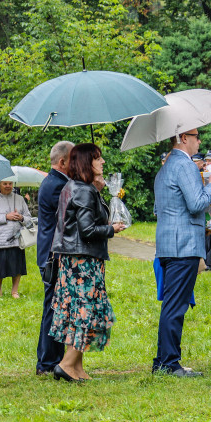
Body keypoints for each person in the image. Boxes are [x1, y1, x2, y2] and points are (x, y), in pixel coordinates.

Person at [48, 144, 125, 381]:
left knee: (78, 311)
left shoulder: (76, 187)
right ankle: (66, 364)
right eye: (98, 159)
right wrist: (111, 229)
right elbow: (88, 229)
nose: (102, 162)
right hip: (83, 263)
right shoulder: (83, 190)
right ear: (86, 163)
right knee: (85, 311)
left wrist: (98, 191)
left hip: (74, 260)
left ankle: (77, 368)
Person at [153, 127, 211, 377]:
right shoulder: (185, 165)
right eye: (196, 137)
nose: (199, 141)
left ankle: (163, 360)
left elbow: (164, 208)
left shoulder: (166, 166)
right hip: (183, 246)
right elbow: (196, 203)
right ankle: (170, 363)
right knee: (176, 306)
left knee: (171, 304)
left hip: (170, 242)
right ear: (183, 138)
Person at [36, 141, 73, 376]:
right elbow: (74, 213)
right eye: (74, 160)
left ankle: (52, 359)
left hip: (52, 252)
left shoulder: (57, 182)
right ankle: (48, 362)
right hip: (54, 255)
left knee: (56, 307)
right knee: (53, 308)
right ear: (62, 162)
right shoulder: (56, 185)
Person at [0, 179, 33, 298]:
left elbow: (29, 219)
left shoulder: (20, 199)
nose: (8, 186)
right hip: (1, 238)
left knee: (17, 266)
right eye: (5, 184)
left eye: (10, 184)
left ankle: (14, 291)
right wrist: (6, 216)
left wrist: (21, 217)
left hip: (17, 237)